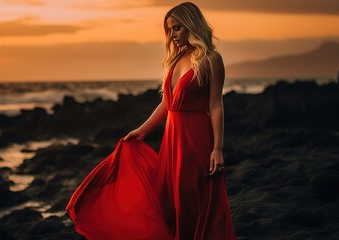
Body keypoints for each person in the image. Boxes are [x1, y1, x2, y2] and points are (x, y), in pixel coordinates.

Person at [66, 2, 237, 239]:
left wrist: (217, 148)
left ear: (191, 25)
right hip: (172, 138)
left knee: (192, 196)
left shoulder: (211, 59)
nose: (172, 34)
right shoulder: (175, 60)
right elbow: (168, 104)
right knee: (171, 198)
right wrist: (142, 130)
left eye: (177, 28)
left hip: (196, 136)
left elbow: (216, 104)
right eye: (169, 30)